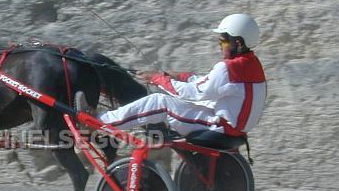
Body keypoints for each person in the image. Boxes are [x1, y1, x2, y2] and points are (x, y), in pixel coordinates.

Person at [98, 14, 267, 139]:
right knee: (193, 101)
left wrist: (156, 78)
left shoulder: (228, 68)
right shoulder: (252, 64)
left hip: (221, 128)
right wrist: (181, 76)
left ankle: (102, 121)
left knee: (160, 101)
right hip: (234, 127)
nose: (219, 46)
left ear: (237, 43)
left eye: (222, 41)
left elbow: (190, 92)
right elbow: (208, 84)